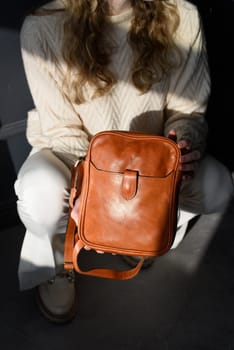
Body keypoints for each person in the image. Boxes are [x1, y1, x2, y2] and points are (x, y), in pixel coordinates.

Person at [14, 0, 234, 324]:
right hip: (71, 154)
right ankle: (59, 262)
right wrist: (94, 191)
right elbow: (62, 129)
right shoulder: (44, 26)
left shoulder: (181, 14)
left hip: (149, 158)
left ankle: (138, 235)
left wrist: (181, 144)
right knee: (41, 195)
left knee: (217, 187)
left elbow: (187, 110)